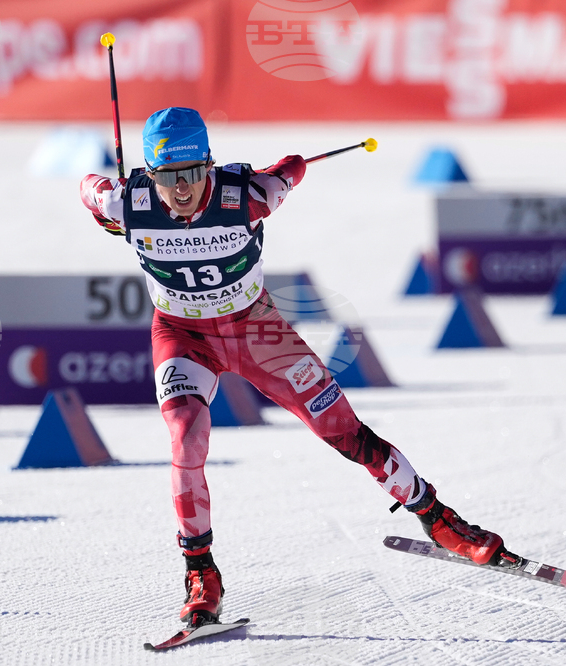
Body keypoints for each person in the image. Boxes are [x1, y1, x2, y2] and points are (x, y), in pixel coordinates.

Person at [80, 107, 518, 627]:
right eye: (168, 177)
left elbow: (292, 169)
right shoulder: (129, 202)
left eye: (193, 173)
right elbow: (89, 188)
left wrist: (282, 166)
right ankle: (201, 573)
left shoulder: (248, 196)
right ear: (150, 175)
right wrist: (108, 211)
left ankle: (437, 517)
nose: (181, 190)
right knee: (186, 436)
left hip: (255, 330)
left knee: (344, 432)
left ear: (210, 166)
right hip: (183, 335)